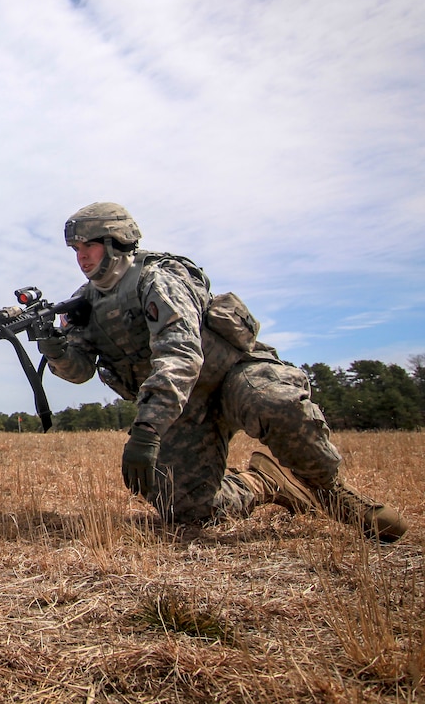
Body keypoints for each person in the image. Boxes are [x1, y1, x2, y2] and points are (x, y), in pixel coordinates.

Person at [37, 202, 407, 542]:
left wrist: (147, 429)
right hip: (185, 407)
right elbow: (80, 372)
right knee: (185, 509)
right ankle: (263, 483)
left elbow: (181, 353)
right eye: (76, 249)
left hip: (232, 378)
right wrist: (54, 347)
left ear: (115, 241)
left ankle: (331, 492)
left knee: (272, 401)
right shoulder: (84, 302)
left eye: (89, 245)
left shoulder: (157, 279)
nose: (81, 256)